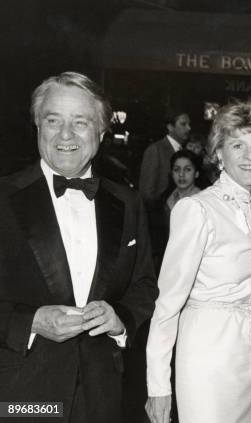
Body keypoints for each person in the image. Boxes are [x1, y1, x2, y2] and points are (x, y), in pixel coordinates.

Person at [0, 71, 158, 422]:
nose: (66, 135)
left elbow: (144, 286)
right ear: (38, 127)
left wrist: (120, 319)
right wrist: (31, 321)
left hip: (102, 395)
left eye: (80, 122)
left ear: (101, 133)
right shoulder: (4, 199)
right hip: (19, 395)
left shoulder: (128, 202)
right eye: (53, 120)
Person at [145, 101, 251, 423]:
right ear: (219, 153)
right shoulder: (196, 210)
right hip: (207, 353)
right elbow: (166, 304)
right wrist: (158, 386)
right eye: (238, 145)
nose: (250, 156)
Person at [139, 109, 191, 270]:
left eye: (189, 124)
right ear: (170, 127)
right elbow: (146, 193)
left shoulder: (185, 152)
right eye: (183, 124)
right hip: (161, 226)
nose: (188, 128)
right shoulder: (156, 150)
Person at [165, 149, 202, 214]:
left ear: (196, 173)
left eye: (187, 169)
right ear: (172, 173)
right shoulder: (166, 200)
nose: (181, 174)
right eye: (176, 170)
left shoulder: (202, 200)